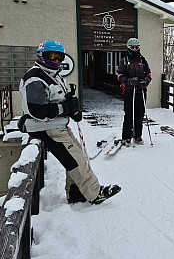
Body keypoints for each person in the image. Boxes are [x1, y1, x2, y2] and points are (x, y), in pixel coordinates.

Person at [19, 40, 121, 204]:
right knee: (76, 160)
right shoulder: (35, 78)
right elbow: (37, 110)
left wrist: (72, 106)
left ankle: (75, 192)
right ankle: (95, 193)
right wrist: (64, 108)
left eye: (60, 57)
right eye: (52, 57)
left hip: (57, 125)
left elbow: (60, 98)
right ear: (41, 56)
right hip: (46, 127)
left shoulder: (53, 75)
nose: (57, 61)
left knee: (77, 155)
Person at [117, 37, 152, 146]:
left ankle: (138, 136)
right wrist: (128, 81)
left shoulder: (142, 60)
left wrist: (145, 81)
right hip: (129, 91)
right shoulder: (124, 61)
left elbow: (149, 74)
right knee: (129, 115)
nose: (134, 49)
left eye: (136, 47)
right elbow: (119, 75)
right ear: (128, 48)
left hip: (140, 91)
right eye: (132, 47)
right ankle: (126, 137)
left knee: (139, 114)